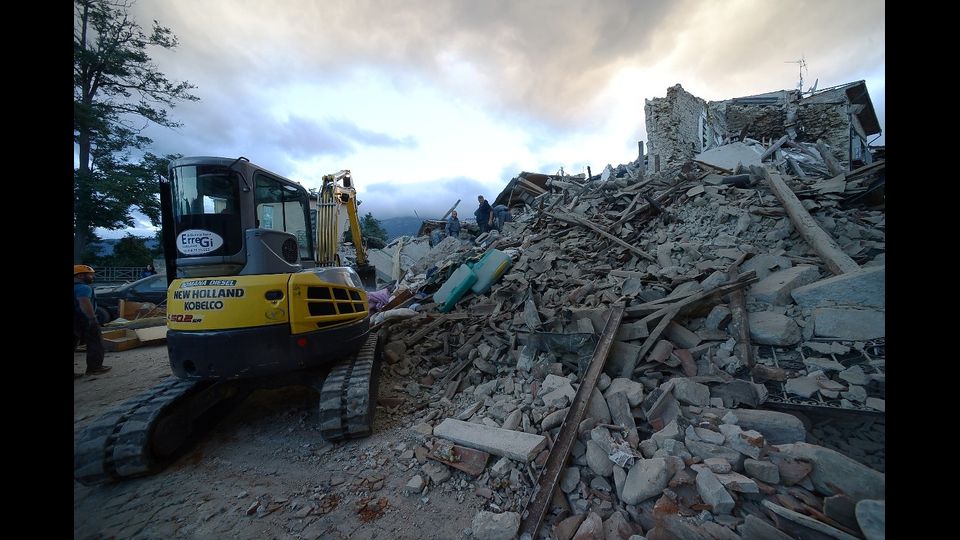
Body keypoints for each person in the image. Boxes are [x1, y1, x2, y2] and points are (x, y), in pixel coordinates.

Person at [74, 265, 111, 377]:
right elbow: (84, 302)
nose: (92, 277)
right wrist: (92, 318)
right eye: (90, 275)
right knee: (95, 342)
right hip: (83, 319)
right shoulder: (83, 288)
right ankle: (95, 368)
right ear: (80, 275)